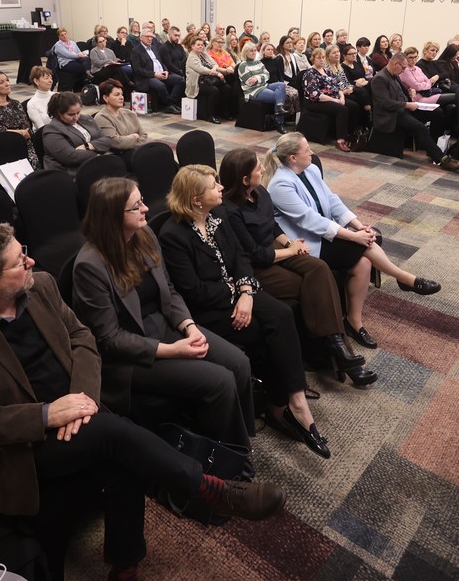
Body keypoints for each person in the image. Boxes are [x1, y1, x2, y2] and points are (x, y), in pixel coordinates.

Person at [0, 223, 286, 581]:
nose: (31, 261)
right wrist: (48, 415)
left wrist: (81, 399)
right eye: (20, 261)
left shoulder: (43, 287)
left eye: (25, 252)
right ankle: (208, 488)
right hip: (23, 446)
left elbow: (82, 337)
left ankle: (126, 563)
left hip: (81, 415)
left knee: (118, 454)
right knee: (115, 435)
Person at [159, 165, 330, 459]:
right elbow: (194, 291)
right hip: (209, 310)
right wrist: (236, 295)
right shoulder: (173, 235)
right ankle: (280, 404)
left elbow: (240, 258)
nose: (221, 189)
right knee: (267, 331)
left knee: (283, 314)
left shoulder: (217, 218)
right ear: (197, 199)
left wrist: (247, 293)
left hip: (240, 294)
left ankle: (294, 400)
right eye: (214, 186)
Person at [72, 177, 254, 444]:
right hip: (132, 355)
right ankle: (232, 461)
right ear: (112, 216)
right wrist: (173, 350)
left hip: (166, 326)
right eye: (136, 206)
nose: (146, 209)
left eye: (142, 201)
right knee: (220, 381)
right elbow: (110, 340)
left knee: (239, 363)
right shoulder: (90, 266)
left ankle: (237, 439)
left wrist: (189, 326)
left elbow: (169, 290)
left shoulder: (143, 236)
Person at [264, 133, 441, 351]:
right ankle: (404, 278)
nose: (312, 153)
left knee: (364, 262)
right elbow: (309, 220)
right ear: (292, 158)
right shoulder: (280, 184)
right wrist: (354, 236)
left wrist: (358, 225)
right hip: (306, 241)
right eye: (307, 150)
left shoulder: (310, 169)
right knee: (362, 246)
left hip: (324, 231)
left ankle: (354, 322)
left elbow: (332, 200)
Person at [218, 149, 375, 387]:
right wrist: (290, 251)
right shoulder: (230, 210)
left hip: (275, 248)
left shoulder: (260, 192)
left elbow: (272, 227)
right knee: (308, 286)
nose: (263, 170)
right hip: (255, 265)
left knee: (319, 269)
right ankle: (340, 353)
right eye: (258, 168)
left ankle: (335, 347)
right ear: (244, 179)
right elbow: (255, 255)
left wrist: (289, 243)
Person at [371, 54, 459, 171]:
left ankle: (432, 149)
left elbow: (401, 93)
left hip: (403, 109)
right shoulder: (380, 78)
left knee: (437, 112)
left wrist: (409, 94)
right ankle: (442, 159)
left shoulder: (394, 75)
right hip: (391, 115)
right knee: (419, 127)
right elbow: (384, 103)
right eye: (403, 68)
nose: (404, 70)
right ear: (395, 64)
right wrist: (406, 104)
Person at [41, 92, 111, 177]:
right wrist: (100, 153)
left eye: (78, 112)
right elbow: (72, 157)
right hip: (70, 174)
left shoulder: (87, 119)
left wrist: (88, 146)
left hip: (93, 166)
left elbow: (107, 140)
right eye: (71, 114)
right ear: (58, 113)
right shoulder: (52, 130)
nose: (76, 117)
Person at [303, 48, 359, 152]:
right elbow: (315, 94)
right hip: (316, 102)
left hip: (333, 97)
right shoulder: (310, 73)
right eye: (319, 58)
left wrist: (341, 96)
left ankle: (348, 133)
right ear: (313, 59)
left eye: (323, 57)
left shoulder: (327, 70)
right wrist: (335, 100)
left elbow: (337, 86)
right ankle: (340, 141)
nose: (321, 60)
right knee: (342, 109)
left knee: (353, 106)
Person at [0, 71, 37, 166]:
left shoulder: (16, 103)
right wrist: (20, 132)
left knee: (33, 160)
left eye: (7, 80)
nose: (7, 84)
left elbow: (27, 129)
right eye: (2, 82)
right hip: (3, 146)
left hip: (23, 144)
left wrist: (22, 133)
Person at [130, 24, 183, 114]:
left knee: (180, 80)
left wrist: (165, 70)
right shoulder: (136, 51)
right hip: (147, 78)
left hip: (161, 73)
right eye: (148, 37)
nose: (150, 39)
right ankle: (169, 105)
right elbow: (138, 70)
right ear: (141, 38)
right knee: (160, 85)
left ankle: (171, 103)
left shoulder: (154, 48)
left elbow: (161, 62)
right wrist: (154, 74)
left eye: (151, 37)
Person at [237, 43, 288, 133]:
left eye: (254, 51)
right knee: (277, 96)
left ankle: (279, 110)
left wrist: (257, 78)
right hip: (253, 91)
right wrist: (260, 77)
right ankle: (280, 123)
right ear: (245, 52)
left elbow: (267, 75)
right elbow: (250, 82)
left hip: (264, 85)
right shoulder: (243, 65)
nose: (253, 53)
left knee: (281, 85)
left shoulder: (258, 62)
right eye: (251, 51)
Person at [93, 80, 148, 161]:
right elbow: (116, 143)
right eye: (117, 95)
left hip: (136, 151)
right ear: (105, 98)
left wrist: (125, 140)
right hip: (118, 157)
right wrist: (134, 136)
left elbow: (144, 136)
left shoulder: (130, 113)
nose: (121, 97)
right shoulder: (102, 117)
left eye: (122, 94)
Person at [184, 36, 226, 125]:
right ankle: (211, 116)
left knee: (226, 87)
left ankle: (224, 112)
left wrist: (214, 68)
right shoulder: (192, 57)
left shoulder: (203, 54)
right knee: (214, 91)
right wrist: (215, 73)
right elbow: (201, 69)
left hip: (207, 79)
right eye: (198, 45)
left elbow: (214, 63)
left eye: (202, 45)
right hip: (197, 83)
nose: (200, 46)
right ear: (192, 46)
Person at [26, 66, 55, 130]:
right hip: (45, 135)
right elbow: (40, 128)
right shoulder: (32, 104)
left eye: (51, 78)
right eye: (46, 78)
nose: (50, 81)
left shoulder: (58, 96)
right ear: (36, 81)